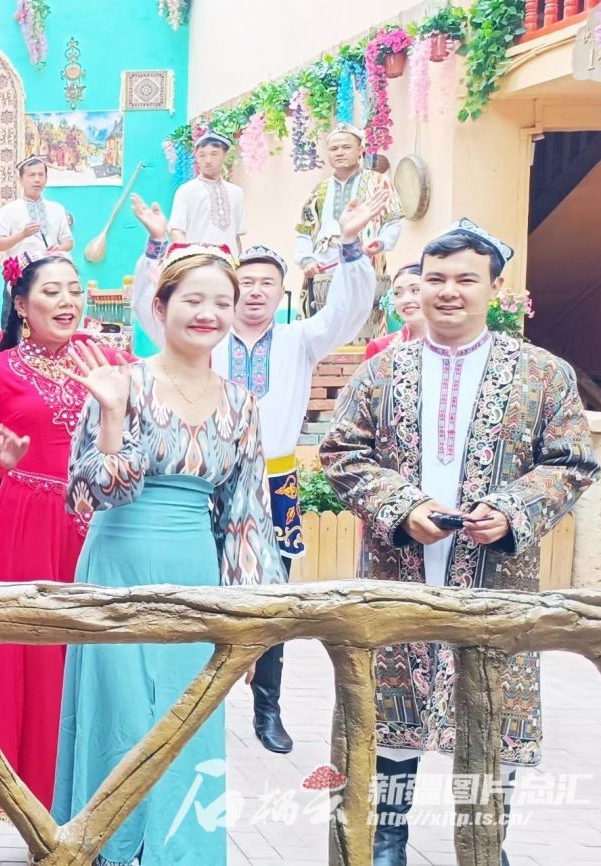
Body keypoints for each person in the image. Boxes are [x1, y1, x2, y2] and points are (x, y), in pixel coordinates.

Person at [319, 221, 600, 866]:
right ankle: (383, 847)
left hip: (497, 585)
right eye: (436, 279)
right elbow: (342, 454)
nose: (449, 292)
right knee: (386, 722)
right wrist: (402, 507)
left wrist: (510, 510)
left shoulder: (542, 374)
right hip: (397, 577)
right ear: (418, 286)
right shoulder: (382, 372)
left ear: (495, 288)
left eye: (466, 280)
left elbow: (572, 462)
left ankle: (485, 850)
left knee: (491, 722)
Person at [131, 188, 391, 755]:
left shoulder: (301, 340)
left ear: (280, 291)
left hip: (275, 482)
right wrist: (155, 247)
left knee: (271, 594)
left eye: (266, 283)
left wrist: (350, 248)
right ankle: (186, 703)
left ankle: (267, 706)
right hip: (205, 480)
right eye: (244, 283)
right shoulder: (206, 334)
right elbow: (150, 308)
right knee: (196, 586)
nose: (254, 292)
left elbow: (348, 312)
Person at [54, 244, 285, 866]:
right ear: (159, 307)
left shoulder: (242, 403)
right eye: (193, 299)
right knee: (121, 717)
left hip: (195, 572)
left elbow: (246, 519)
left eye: (221, 302)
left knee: (188, 720)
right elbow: (97, 493)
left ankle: (182, 853)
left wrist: (250, 621)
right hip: (118, 565)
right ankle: (102, 847)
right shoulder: (121, 382)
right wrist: (111, 416)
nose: (208, 313)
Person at [0, 251, 125, 819]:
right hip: (26, 521)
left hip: (99, 518)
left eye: (75, 289)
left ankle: (93, 795)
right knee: (31, 651)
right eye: (51, 291)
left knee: (95, 653)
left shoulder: (110, 359)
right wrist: (1, 462)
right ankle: (30, 801)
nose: (67, 301)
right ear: (21, 305)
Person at [294, 124, 403, 317]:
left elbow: (392, 222)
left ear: (360, 150)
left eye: (346, 147)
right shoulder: (319, 190)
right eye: (333, 149)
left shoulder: (379, 182)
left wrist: (380, 243)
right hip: (322, 269)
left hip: (364, 262)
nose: (339, 153)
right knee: (322, 324)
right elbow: (304, 232)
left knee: (362, 323)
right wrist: (306, 260)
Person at [168, 132, 246, 250]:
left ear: (225, 155)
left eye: (214, 154)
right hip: (199, 259)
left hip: (229, 260)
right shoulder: (186, 191)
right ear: (196, 157)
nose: (208, 160)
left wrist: (238, 259)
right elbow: (176, 230)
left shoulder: (236, 193)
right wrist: (190, 257)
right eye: (202, 155)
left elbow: (236, 236)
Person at [0, 156, 75, 261]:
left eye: (41, 175)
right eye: (32, 175)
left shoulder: (57, 209)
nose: (37, 179)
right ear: (20, 179)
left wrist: (59, 248)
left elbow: (68, 242)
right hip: (22, 269)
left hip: (51, 267)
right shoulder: (8, 210)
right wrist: (23, 234)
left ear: (46, 179)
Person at [365, 263, 426, 359]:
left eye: (415, 290)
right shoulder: (379, 347)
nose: (405, 300)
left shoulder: (451, 344)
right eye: (398, 293)